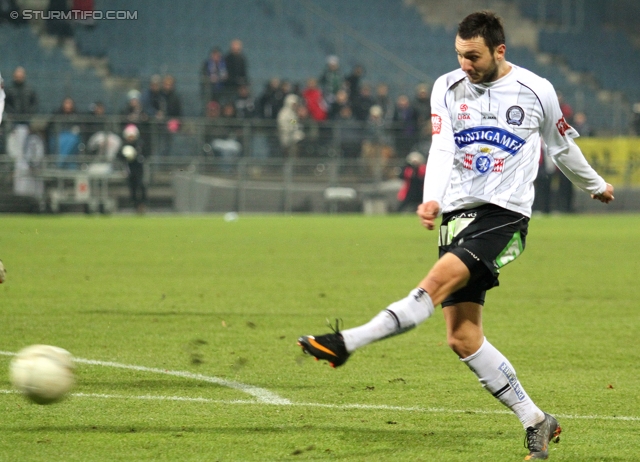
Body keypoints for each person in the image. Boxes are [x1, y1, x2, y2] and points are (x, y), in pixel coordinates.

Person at [297, 11, 614, 461]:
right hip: (457, 216)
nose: (464, 64)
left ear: (499, 51)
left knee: (434, 283)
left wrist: (596, 184)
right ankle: (537, 420)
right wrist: (432, 197)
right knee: (463, 337)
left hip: (504, 217)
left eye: (473, 56)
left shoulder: (536, 90)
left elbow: (561, 146)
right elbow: (443, 146)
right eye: (459, 55)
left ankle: (347, 342)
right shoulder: (446, 86)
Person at [117, 124, 146, 213]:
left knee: (141, 185)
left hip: (138, 168)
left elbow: (146, 153)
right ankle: (135, 205)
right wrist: (125, 157)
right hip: (129, 169)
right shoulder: (124, 145)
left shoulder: (139, 144)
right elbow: (118, 155)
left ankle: (142, 204)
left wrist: (136, 156)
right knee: (132, 187)